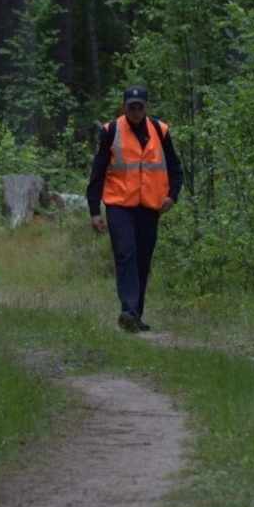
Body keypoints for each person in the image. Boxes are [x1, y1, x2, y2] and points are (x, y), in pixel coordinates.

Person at [85, 86, 184, 332]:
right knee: (126, 253)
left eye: (140, 106)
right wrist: (94, 210)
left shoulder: (160, 131)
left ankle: (135, 315)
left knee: (143, 259)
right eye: (132, 106)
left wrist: (172, 196)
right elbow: (97, 173)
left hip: (150, 206)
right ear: (124, 106)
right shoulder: (111, 131)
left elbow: (175, 169)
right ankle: (127, 310)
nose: (136, 111)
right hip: (119, 204)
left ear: (146, 107)